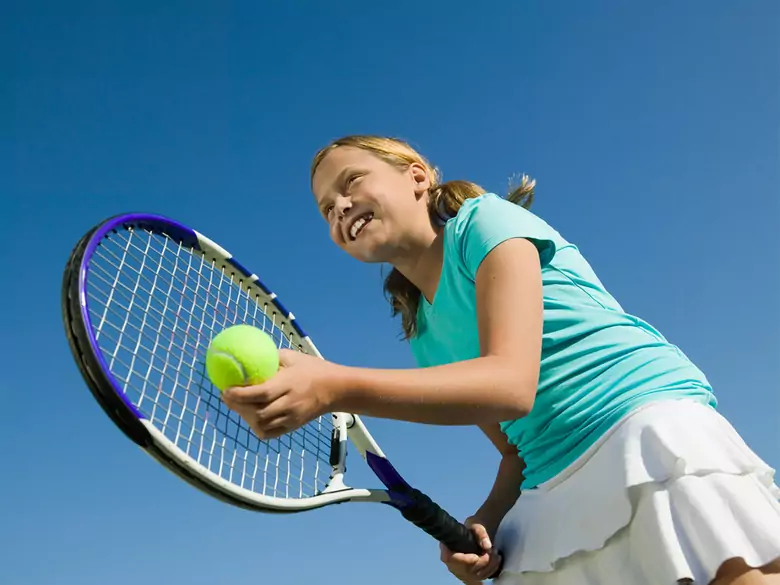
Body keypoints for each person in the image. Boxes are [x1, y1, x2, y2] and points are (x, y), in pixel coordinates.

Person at [222, 135, 780, 584]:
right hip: (549, 485)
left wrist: (335, 387)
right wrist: (487, 519)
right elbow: (514, 449)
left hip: (640, 427)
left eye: (351, 182)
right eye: (326, 209)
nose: (340, 206)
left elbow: (511, 385)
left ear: (416, 177)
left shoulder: (484, 223)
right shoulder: (422, 332)